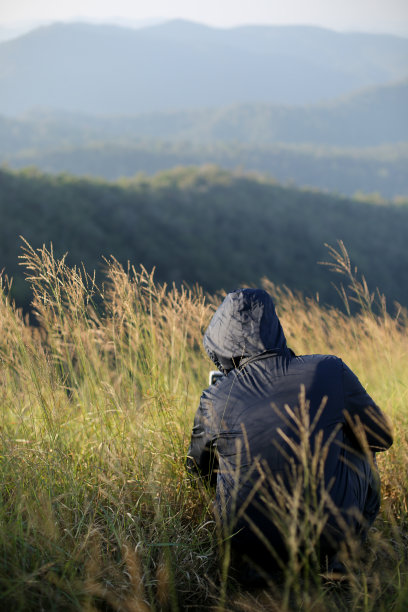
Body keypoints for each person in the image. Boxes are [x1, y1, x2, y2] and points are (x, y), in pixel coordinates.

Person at [186, 288, 393, 581]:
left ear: (221, 339)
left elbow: (197, 469)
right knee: (362, 444)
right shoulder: (328, 369)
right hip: (325, 543)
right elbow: (381, 436)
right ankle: (340, 561)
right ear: (274, 327)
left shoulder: (215, 395)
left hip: (245, 553)